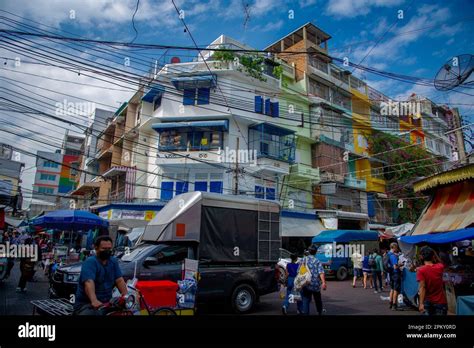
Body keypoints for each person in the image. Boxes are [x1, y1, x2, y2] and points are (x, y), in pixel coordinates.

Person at [73, 236, 128, 315]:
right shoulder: (90, 262)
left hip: (107, 303)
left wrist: (126, 296)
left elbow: (119, 280)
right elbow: (89, 282)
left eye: (109, 249)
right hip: (87, 304)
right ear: (96, 248)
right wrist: (94, 300)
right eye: (104, 249)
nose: (107, 251)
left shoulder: (113, 261)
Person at [416, 246, 447, 315]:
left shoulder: (421, 270)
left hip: (428, 302)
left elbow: (422, 287)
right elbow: (439, 261)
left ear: (421, 257)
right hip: (441, 302)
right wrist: (433, 253)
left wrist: (421, 303)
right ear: (433, 256)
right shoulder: (440, 266)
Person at [298, 245, 326, 315]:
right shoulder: (317, 261)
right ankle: (319, 312)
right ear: (315, 252)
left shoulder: (303, 260)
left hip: (306, 283)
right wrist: (323, 282)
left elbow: (298, 271)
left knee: (306, 300)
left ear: (309, 251)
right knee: (318, 300)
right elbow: (321, 272)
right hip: (315, 284)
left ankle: (306, 313)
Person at [387, 242, 402, 310]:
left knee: (392, 289)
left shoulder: (388, 254)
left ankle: (390, 303)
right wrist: (400, 265)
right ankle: (394, 305)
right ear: (394, 247)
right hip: (395, 273)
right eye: (396, 247)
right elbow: (395, 267)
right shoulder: (393, 256)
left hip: (391, 273)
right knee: (396, 290)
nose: (397, 248)